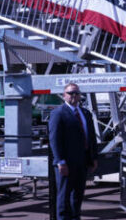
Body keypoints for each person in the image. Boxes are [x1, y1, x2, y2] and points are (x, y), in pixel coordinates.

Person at [49, 83, 99, 220]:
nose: (74, 96)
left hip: (82, 161)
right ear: (64, 95)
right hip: (66, 163)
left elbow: (91, 137)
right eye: (71, 93)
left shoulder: (86, 113)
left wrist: (94, 158)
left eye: (77, 93)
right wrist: (60, 161)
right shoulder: (58, 114)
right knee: (64, 196)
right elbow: (54, 140)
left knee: (78, 195)